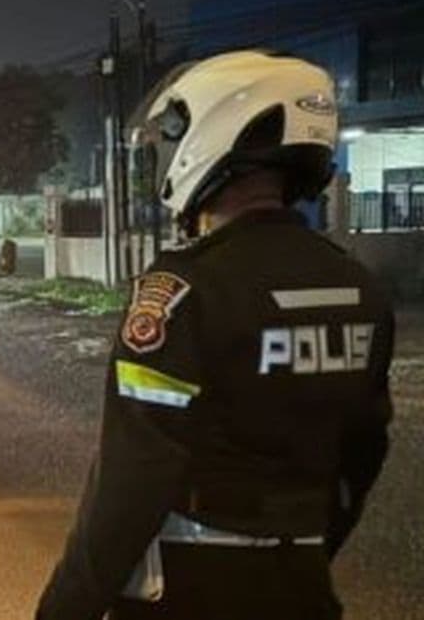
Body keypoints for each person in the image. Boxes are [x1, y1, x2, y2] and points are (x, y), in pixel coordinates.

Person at [36, 51, 394, 620]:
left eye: (172, 133)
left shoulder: (183, 291)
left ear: (213, 132)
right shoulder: (358, 287)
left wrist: (63, 608)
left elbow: (132, 479)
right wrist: (303, 546)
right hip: (303, 588)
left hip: (193, 591)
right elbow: (364, 452)